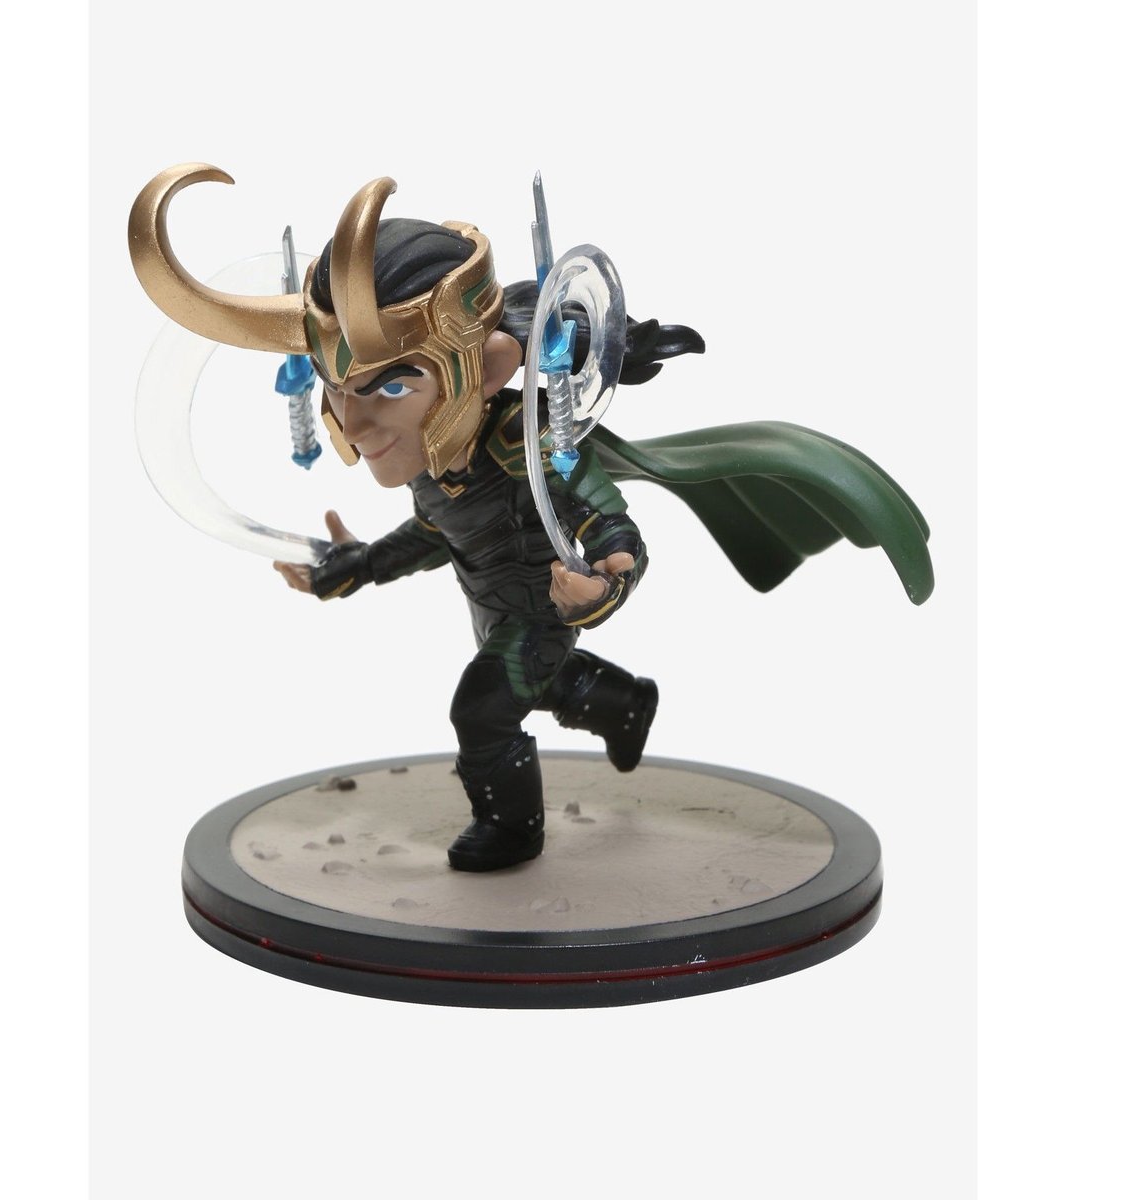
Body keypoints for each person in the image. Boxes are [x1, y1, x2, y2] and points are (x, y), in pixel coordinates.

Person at [128, 163, 934, 873]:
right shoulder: (436, 458)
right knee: (538, 682)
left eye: (393, 386)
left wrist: (606, 583)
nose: (356, 420)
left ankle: (511, 830)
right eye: (337, 389)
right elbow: (442, 531)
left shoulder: (529, 445)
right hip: (490, 602)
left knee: (483, 708)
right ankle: (624, 704)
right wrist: (361, 566)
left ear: (486, 368)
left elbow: (612, 528)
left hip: (537, 607)